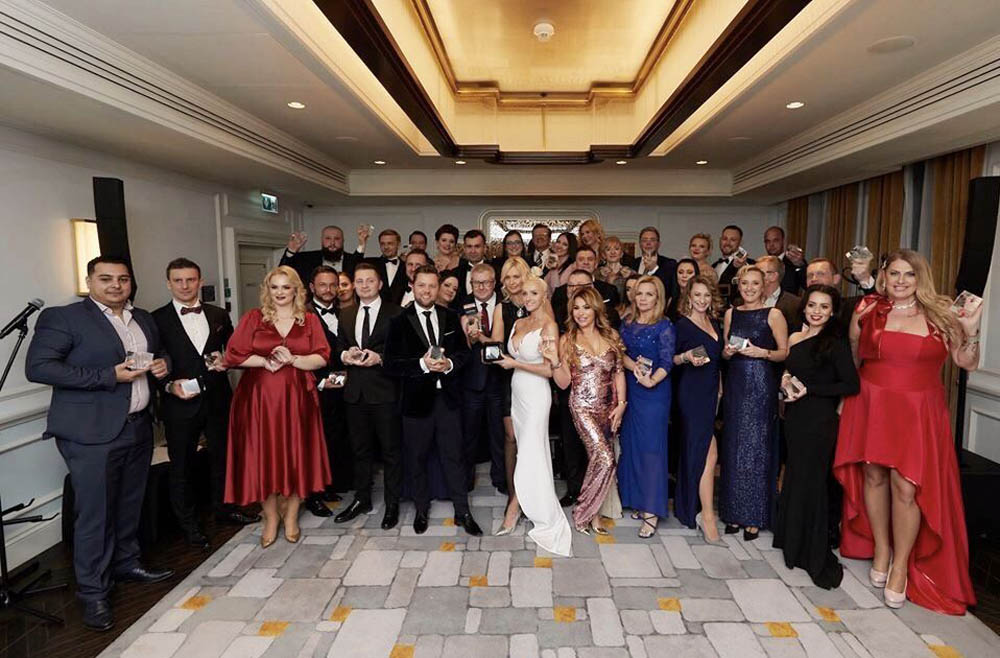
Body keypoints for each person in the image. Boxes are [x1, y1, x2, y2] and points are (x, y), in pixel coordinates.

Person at [25, 256, 173, 631]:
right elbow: (39, 367)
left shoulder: (143, 318)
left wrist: (164, 365)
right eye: (106, 278)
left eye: (123, 279)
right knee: (95, 514)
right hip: (90, 433)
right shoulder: (64, 317)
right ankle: (93, 592)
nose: (116, 285)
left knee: (129, 505)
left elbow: (159, 354)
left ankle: (126, 563)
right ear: (89, 280)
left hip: (138, 427)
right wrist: (108, 376)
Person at [834, 249, 981, 613]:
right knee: (873, 476)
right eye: (895, 273)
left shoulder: (942, 313)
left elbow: (966, 362)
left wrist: (972, 332)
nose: (901, 281)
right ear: (885, 276)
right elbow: (853, 354)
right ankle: (882, 550)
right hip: (872, 401)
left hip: (918, 410)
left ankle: (900, 565)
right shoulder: (869, 307)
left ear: (920, 278)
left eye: (909, 274)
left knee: (906, 486)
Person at [153, 258, 257, 549]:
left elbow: (235, 350)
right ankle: (189, 526)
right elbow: (152, 363)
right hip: (179, 404)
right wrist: (167, 385)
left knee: (222, 458)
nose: (185, 286)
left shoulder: (218, 314)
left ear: (200, 281)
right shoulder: (156, 319)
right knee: (182, 465)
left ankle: (224, 509)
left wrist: (229, 361)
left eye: (190, 280)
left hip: (218, 399)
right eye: (178, 280)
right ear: (169, 283)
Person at [224, 266, 331, 548]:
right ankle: (271, 517)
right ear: (267, 290)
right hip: (258, 400)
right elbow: (233, 355)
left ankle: (292, 516)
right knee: (263, 457)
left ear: (296, 290)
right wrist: (265, 361)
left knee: (296, 455)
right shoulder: (254, 318)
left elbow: (322, 356)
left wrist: (292, 359)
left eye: (286, 287)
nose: (280, 292)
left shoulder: (309, 320)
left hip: (297, 399)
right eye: (274, 287)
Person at [384, 265, 483, 536]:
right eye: (421, 285)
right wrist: (422, 365)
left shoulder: (450, 317)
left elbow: (464, 354)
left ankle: (463, 511)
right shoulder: (398, 321)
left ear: (438, 288)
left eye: (431, 286)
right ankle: (421, 510)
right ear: (412, 287)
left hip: (447, 400)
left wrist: (449, 364)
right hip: (415, 403)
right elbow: (390, 364)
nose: (426, 291)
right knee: (417, 458)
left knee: (455, 456)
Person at [773, 285, 859, 589]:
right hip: (795, 418)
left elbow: (851, 385)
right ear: (804, 307)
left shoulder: (835, 343)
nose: (817, 311)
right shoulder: (795, 338)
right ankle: (791, 539)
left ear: (832, 311)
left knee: (812, 481)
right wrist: (785, 377)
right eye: (812, 305)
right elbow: (791, 369)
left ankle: (809, 547)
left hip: (819, 420)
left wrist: (811, 390)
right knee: (795, 475)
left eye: (824, 306)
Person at [494, 276, 573, 555]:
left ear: (544, 296)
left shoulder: (549, 326)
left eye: (533, 294)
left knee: (529, 449)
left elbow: (550, 370)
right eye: (525, 294)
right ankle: (524, 499)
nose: (527, 298)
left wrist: (514, 363)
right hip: (518, 392)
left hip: (537, 394)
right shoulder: (518, 323)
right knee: (526, 449)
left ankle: (514, 506)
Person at [719, 265, 788, 540]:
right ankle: (733, 512)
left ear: (764, 286)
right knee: (734, 447)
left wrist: (763, 353)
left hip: (760, 384)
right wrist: (727, 352)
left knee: (757, 447)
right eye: (744, 283)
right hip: (736, 384)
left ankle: (755, 516)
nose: (749, 288)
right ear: (739, 285)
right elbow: (725, 353)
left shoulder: (774, 314)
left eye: (755, 283)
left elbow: (784, 352)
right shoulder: (730, 313)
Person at [551, 287, 627, 535]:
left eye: (586, 307)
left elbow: (619, 373)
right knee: (605, 458)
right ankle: (583, 512)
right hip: (582, 407)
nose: (581, 313)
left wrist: (621, 405)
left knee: (599, 461)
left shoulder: (612, 335)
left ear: (596, 309)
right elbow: (563, 383)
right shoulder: (567, 340)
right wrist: (554, 361)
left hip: (608, 407)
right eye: (576, 308)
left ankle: (594, 515)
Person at [334, 263, 405, 529]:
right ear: (354, 285)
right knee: (360, 450)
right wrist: (345, 355)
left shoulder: (396, 313)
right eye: (359, 281)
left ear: (380, 284)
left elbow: (404, 353)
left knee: (391, 451)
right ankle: (361, 499)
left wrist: (381, 358)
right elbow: (338, 347)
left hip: (385, 391)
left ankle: (392, 504)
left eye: (370, 281)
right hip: (355, 393)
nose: (364, 285)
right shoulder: (346, 314)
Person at [618, 276, 674, 538]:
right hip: (631, 388)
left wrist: (651, 381)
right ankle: (639, 500)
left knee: (652, 449)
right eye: (639, 293)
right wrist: (635, 370)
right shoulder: (627, 322)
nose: (642, 298)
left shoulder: (664, 326)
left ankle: (651, 511)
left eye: (649, 294)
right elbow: (620, 353)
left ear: (658, 297)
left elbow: (667, 361)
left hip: (654, 393)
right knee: (632, 446)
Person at [672, 276, 725, 541]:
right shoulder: (682, 325)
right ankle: (706, 515)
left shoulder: (714, 323)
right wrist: (685, 357)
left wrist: (720, 388)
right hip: (691, 393)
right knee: (707, 450)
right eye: (697, 295)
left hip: (711, 392)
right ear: (689, 298)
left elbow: (718, 360)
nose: (702, 300)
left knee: (701, 452)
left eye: (706, 295)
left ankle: (690, 507)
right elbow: (669, 359)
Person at [303, 266, 352, 517]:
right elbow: (299, 355)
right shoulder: (303, 315)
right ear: (312, 287)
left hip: (341, 389)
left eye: (334, 285)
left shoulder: (345, 313)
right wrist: (321, 382)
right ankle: (312, 495)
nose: (329, 290)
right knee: (313, 443)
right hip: (314, 389)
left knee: (335, 438)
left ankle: (329, 485)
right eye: (323, 285)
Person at [460, 263, 506, 493]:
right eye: (476, 283)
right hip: (472, 380)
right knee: (469, 434)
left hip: (500, 378)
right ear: (471, 284)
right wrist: (469, 336)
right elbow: (461, 343)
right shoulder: (463, 304)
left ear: (494, 282)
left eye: (486, 282)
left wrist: (481, 337)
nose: (481, 287)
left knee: (499, 434)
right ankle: (466, 480)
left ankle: (500, 478)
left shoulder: (505, 303)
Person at [489, 257, 532, 500]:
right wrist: (482, 340)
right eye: (508, 277)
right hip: (508, 377)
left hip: (535, 376)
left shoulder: (538, 303)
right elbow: (496, 346)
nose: (513, 281)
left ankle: (531, 489)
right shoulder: (500, 308)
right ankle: (513, 494)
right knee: (511, 436)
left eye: (517, 276)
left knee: (531, 436)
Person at [551, 248, 621, 331]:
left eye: (590, 259)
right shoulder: (560, 292)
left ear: (596, 264)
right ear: (574, 264)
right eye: (581, 259)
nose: (586, 262)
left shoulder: (610, 290)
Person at [281, 225, 363, 284]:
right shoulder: (307, 259)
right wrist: (291, 251)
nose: (332, 243)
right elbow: (283, 273)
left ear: (343, 241)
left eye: (337, 239)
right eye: (328, 238)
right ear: (321, 240)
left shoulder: (352, 260)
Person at [754, 255, 802, 331]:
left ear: (773, 276)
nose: (753, 277)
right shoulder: (744, 300)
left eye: (759, 272)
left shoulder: (794, 304)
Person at [628, 226, 677, 300]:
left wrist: (654, 269)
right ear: (640, 244)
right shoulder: (632, 263)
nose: (648, 243)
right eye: (644, 240)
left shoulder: (670, 264)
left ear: (658, 244)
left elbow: (670, 290)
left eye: (652, 240)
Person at [712, 224, 754, 303]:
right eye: (725, 239)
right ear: (720, 240)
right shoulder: (713, 266)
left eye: (733, 240)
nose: (727, 243)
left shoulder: (750, 264)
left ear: (740, 243)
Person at [763, 226, 807, 294]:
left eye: (775, 240)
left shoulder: (794, 261)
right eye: (768, 241)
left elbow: (807, 284)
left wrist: (799, 265)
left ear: (783, 241)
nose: (771, 244)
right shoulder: (761, 264)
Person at [369, 229, 407, 304]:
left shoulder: (406, 267)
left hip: (400, 309)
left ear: (398, 244)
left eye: (390, 243)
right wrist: (362, 243)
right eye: (382, 244)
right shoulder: (372, 265)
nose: (386, 247)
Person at [597, 236, 635, 300]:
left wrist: (629, 277)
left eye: (616, 249)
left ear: (621, 254)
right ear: (603, 255)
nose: (613, 252)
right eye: (608, 249)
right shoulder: (597, 273)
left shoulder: (631, 273)